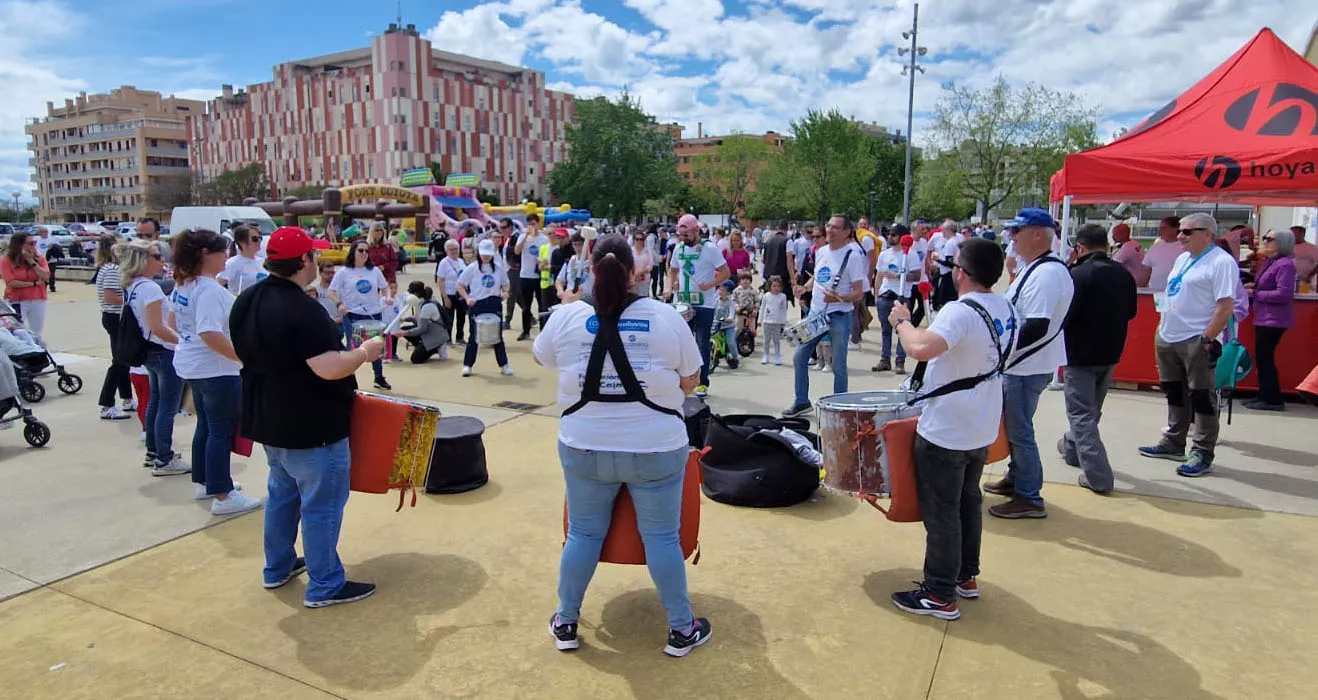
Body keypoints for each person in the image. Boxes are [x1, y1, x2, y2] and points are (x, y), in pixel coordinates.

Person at [532, 234, 711, 657]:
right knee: (662, 538)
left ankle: (566, 621)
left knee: (583, 534)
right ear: (635, 271)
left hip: (584, 445)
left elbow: (544, 358)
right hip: (655, 448)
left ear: (590, 269)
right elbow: (692, 380)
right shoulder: (666, 317)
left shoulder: (566, 316)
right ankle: (681, 629)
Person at [230, 225, 384, 608]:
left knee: (282, 495)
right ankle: (326, 584)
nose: (318, 260)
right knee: (321, 504)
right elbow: (329, 367)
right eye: (314, 255)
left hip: (269, 420)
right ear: (303, 261)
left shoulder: (247, 300)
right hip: (311, 425)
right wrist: (365, 352)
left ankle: (278, 566)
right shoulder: (302, 308)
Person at [885, 238, 1017, 621]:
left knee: (942, 511)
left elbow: (921, 348)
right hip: (981, 423)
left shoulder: (961, 312)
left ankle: (939, 593)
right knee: (967, 501)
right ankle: (965, 576)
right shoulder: (1007, 307)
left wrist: (902, 321)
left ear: (961, 272)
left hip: (948, 427)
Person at [985, 209, 1074, 520]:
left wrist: (1001, 352)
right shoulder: (1034, 267)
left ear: (1038, 233)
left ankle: (1029, 495)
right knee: (1015, 427)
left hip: (1025, 366)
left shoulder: (1048, 273)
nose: (1011, 237)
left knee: (1020, 430)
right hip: (1023, 365)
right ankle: (1017, 478)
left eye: (1017, 231)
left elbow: (1036, 325)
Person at [169, 229, 263, 515]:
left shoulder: (184, 285)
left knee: (208, 427)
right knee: (220, 430)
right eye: (222, 251)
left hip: (195, 365)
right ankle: (223, 495)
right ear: (205, 255)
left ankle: (207, 481)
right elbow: (209, 332)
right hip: (215, 368)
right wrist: (244, 358)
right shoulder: (208, 289)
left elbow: (174, 320)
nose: (227, 256)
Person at [1137, 214, 1237, 477]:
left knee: (1201, 396)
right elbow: (1171, 293)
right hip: (1169, 335)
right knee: (1173, 391)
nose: (1180, 236)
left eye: (1188, 232)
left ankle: (1202, 451)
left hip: (1196, 338)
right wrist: (1161, 326)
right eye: (1180, 231)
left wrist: (1207, 338)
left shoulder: (1221, 262)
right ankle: (1173, 441)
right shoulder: (1182, 259)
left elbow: (1226, 305)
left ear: (1208, 234)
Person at [1057, 225, 1137, 495]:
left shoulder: (1078, 275)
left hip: (1080, 353)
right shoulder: (1123, 274)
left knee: (1081, 414)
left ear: (1080, 247)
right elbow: (1131, 312)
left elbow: (1065, 315)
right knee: (1090, 411)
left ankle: (1098, 475)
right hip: (1111, 350)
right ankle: (1072, 449)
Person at [782, 215, 868, 418]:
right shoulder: (821, 252)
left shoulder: (853, 255)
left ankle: (840, 404)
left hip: (838, 315)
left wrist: (839, 297)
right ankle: (802, 401)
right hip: (816, 315)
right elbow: (819, 278)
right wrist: (805, 288)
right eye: (828, 226)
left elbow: (859, 292)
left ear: (847, 232)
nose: (830, 230)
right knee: (800, 356)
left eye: (835, 227)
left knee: (838, 364)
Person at [116, 239, 189, 476]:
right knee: (167, 407)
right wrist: (185, 343)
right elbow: (158, 327)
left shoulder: (134, 286)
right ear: (143, 261)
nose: (163, 260)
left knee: (157, 403)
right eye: (157, 257)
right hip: (162, 351)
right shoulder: (149, 288)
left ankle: (154, 451)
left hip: (149, 352)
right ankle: (164, 458)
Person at [666, 214, 729, 398]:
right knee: (681, 343)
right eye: (681, 234)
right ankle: (683, 380)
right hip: (683, 302)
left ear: (696, 230)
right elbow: (673, 269)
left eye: (686, 234)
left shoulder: (710, 249)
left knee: (702, 342)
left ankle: (703, 382)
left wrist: (710, 284)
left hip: (704, 304)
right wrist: (672, 285)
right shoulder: (679, 248)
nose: (683, 238)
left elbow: (725, 272)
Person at [1244, 229, 1296, 412]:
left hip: (1273, 319)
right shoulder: (1271, 262)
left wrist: (1256, 293)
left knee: (1265, 357)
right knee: (1262, 357)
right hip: (1264, 316)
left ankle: (1272, 398)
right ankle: (1264, 394)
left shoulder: (1285, 265)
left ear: (1281, 242)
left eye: (1269, 239)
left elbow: (1284, 294)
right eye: (1265, 238)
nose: (1265, 241)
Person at [328, 239, 391, 391]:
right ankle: (349, 379)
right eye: (360, 250)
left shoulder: (374, 271)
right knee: (353, 348)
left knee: (376, 346)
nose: (364, 254)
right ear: (353, 252)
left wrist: (387, 297)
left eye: (366, 251)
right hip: (353, 315)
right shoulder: (344, 272)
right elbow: (332, 291)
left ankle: (379, 377)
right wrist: (339, 304)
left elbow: (385, 287)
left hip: (373, 314)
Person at [92, 234, 134, 420]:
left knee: (123, 360)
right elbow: (111, 297)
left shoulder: (108, 268)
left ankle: (127, 398)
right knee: (119, 361)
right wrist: (133, 300)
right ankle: (106, 403)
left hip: (114, 317)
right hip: (114, 317)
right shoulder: (111, 270)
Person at [457, 239, 513, 377]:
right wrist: (467, 298)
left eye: (488, 254)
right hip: (477, 303)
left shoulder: (499, 268)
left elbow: (506, 284)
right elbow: (460, 285)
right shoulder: (472, 267)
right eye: (483, 254)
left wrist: (505, 292)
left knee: (497, 335)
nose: (486, 257)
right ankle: (467, 365)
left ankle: (504, 365)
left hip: (494, 302)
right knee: (474, 335)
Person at [872, 225, 921, 374]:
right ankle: (884, 359)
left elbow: (917, 276)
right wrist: (876, 295)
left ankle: (900, 361)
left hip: (902, 296)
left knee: (902, 330)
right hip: (884, 295)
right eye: (889, 234)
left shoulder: (911, 254)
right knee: (885, 330)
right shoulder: (884, 254)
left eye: (893, 234)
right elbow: (879, 275)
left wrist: (899, 277)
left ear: (901, 236)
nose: (890, 237)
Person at [1, 231, 51, 338]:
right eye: (30, 243)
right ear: (19, 245)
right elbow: (11, 282)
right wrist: (34, 283)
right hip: (17, 300)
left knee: (36, 332)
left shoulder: (40, 258)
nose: (34, 245)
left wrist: (31, 261)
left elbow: (46, 277)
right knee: (19, 331)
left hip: (38, 298)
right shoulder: (6, 261)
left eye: (34, 242)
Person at [396, 281, 450, 364]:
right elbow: (418, 319)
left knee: (415, 359)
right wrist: (406, 319)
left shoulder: (427, 307)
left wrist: (404, 333)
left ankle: (437, 347)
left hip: (435, 336)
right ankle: (422, 346)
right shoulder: (421, 302)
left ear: (415, 294)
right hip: (429, 331)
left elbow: (422, 328)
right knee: (404, 329)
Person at [514, 214, 547, 340]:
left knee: (542, 304)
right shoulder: (523, 236)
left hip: (539, 275)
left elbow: (546, 255)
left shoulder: (544, 239)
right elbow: (517, 251)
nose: (532, 226)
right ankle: (525, 330)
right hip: (526, 274)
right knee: (526, 305)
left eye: (534, 224)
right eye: (529, 224)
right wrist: (526, 236)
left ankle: (543, 330)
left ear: (538, 224)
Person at [435, 239, 468, 345]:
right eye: (451, 249)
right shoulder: (444, 262)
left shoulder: (461, 261)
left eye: (456, 249)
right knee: (448, 317)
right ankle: (447, 338)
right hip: (449, 293)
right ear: (446, 251)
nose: (454, 251)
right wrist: (445, 297)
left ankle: (460, 337)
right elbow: (440, 280)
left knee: (461, 317)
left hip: (461, 293)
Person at [218, 224, 267, 294]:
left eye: (260, 238)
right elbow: (218, 283)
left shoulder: (262, 261)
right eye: (255, 239)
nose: (259, 241)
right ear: (242, 242)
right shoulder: (232, 263)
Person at [1142, 216, 1182, 290]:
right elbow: (1146, 270)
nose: (1160, 231)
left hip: (1176, 294)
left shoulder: (1185, 247)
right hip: (1154, 293)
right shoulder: (1155, 246)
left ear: (1175, 229)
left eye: (1164, 228)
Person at [760, 223, 794, 306]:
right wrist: (793, 278)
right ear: (787, 229)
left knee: (769, 302)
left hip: (769, 277)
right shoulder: (787, 241)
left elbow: (763, 260)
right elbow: (789, 260)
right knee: (781, 303)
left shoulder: (767, 242)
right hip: (781, 277)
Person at [556, 233, 594, 303]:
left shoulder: (594, 262)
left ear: (587, 244)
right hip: (571, 301)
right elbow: (559, 280)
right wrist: (560, 291)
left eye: (580, 244)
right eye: (575, 245)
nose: (578, 248)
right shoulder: (569, 262)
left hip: (589, 302)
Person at [759, 276, 787, 365]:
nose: (776, 288)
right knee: (766, 340)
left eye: (778, 286)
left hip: (777, 322)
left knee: (776, 340)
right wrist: (760, 320)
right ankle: (766, 355)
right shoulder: (766, 296)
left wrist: (783, 321)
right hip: (767, 321)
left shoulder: (783, 297)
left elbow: (783, 310)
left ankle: (777, 356)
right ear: (770, 286)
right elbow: (762, 308)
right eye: (774, 286)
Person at [631, 229, 655, 297]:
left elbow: (650, 265)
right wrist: (635, 275)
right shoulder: (630, 251)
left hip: (645, 279)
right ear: (634, 240)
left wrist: (641, 272)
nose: (639, 241)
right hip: (633, 280)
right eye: (637, 239)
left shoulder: (647, 251)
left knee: (643, 298)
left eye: (641, 239)